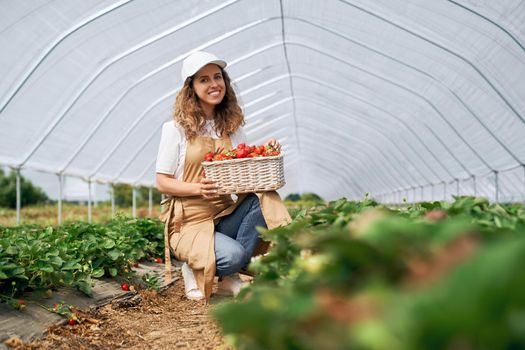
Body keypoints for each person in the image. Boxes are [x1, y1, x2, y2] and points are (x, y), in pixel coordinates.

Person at [156, 51, 291, 301]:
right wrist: (198, 188)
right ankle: (195, 268)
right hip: (189, 221)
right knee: (234, 256)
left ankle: (229, 275)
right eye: (204, 80)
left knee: (264, 197)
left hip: (224, 214)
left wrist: (266, 151)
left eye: (217, 77)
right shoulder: (175, 129)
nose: (213, 84)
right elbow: (162, 181)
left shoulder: (232, 127)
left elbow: (243, 168)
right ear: (191, 88)